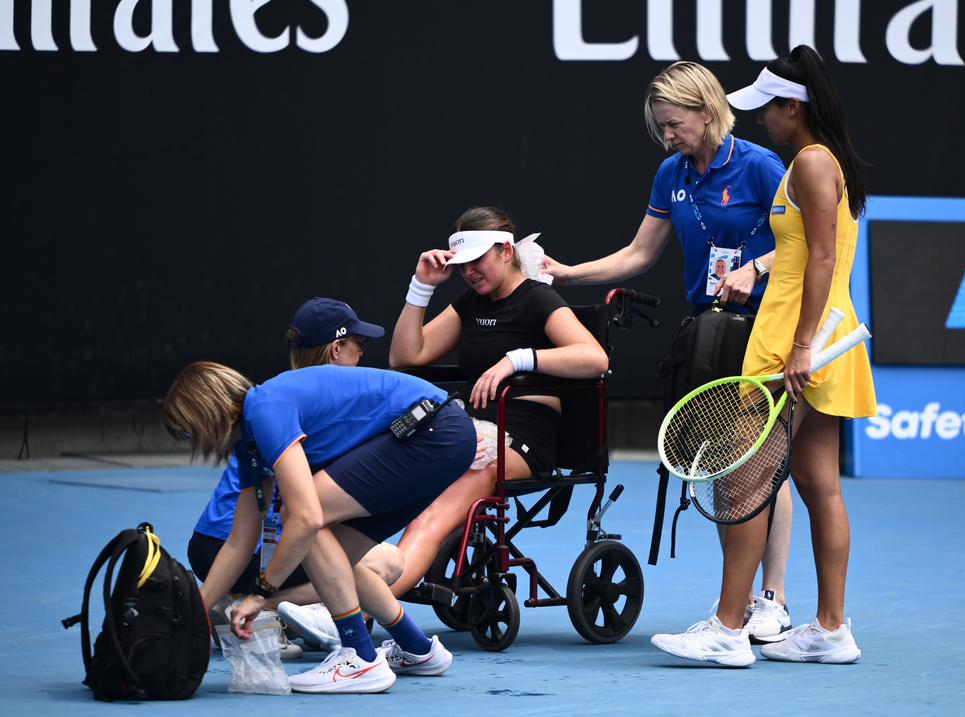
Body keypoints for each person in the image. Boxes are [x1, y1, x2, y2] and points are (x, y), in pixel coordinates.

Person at [541, 61, 794, 640]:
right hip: (707, 332)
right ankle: (739, 602)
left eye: (675, 124)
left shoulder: (760, 166)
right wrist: (567, 272)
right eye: (660, 126)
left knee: (756, 464)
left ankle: (771, 600)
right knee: (724, 469)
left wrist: (755, 267)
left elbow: (802, 245)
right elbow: (639, 253)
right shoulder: (670, 173)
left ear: (708, 112)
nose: (667, 136)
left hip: (763, 329)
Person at [651, 45, 876, 666]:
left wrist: (800, 346)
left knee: (743, 480)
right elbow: (814, 256)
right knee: (817, 484)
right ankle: (830, 629)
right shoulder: (825, 161)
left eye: (766, 110)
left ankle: (729, 627)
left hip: (793, 342)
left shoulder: (807, 162)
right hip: (821, 334)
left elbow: (823, 261)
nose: (758, 121)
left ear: (792, 105)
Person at [162, 359, 477, 693]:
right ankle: (417, 648)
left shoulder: (264, 411)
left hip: (430, 431)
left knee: (301, 521)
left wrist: (260, 594)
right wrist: (195, 612)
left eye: (188, 432)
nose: (197, 445)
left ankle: (359, 656)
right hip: (437, 434)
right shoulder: (251, 444)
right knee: (331, 559)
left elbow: (306, 518)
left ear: (206, 413)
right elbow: (240, 541)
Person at [386, 205, 609, 599]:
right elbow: (406, 355)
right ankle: (325, 597)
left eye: (477, 260)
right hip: (466, 430)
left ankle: (356, 615)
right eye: (462, 264)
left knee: (429, 517)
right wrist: (421, 286)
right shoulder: (469, 304)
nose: (469, 271)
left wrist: (517, 359)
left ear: (506, 251)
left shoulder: (537, 299)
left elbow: (595, 359)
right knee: (372, 480)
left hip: (521, 437)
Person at [187, 299, 405, 658]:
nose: (362, 355)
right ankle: (264, 610)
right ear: (337, 349)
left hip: (213, 544)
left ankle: (241, 603)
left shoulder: (280, 395)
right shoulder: (320, 411)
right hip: (247, 548)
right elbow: (309, 516)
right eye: (359, 345)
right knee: (387, 562)